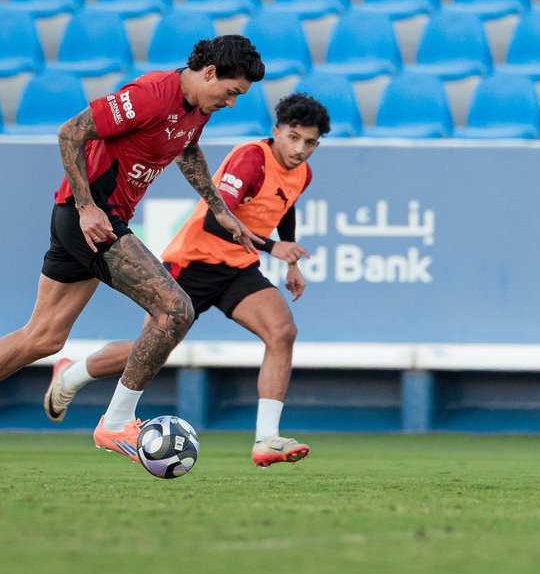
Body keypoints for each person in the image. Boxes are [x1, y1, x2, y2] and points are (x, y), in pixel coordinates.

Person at [0, 35, 266, 478]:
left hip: (94, 220)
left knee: (43, 337)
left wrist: (220, 209)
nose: (231, 103)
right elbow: (71, 131)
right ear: (210, 72)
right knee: (175, 309)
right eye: (231, 92)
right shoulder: (150, 96)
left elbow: (185, 150)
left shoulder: (196, 109)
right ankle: (115, 424)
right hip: (91, 220)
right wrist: (86, 206)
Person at [43, 92, 331, 467]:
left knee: (282, 331)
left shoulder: (303, 173)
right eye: (293, 137)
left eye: (310, 142)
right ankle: (72, 374)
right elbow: (216, 221)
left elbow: (284, 207)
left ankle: (267, 439)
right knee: (148, 351)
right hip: (192, 262)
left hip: (236, 269)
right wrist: (274, 248)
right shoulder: (250, 159)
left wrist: (290, 258)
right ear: (276, 131)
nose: (300, 149)